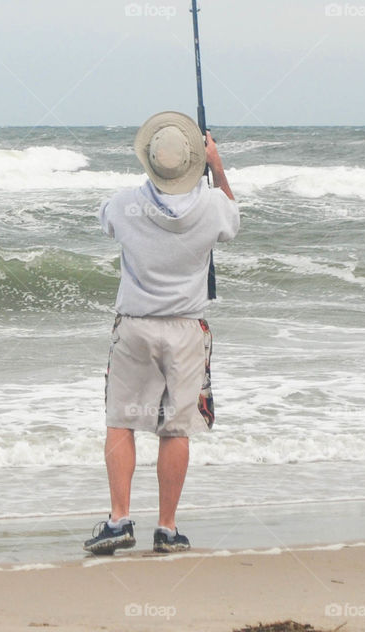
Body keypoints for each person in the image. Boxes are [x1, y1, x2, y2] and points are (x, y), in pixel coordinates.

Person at [83, 111, 239, 555]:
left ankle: (119, 521)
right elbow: (235, 221)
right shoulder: (212, 206)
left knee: (120, 422)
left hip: (134, 326)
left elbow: (106, 222)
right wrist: (219, 168)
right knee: (175, 430)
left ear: (150, 161)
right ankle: (167, 529)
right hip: (187, 329)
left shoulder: (124, 203)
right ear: (194, 162)